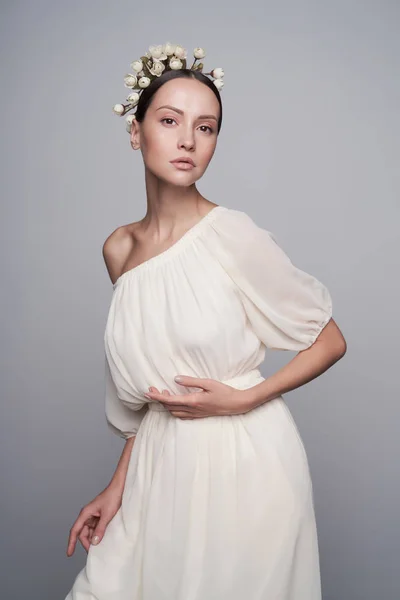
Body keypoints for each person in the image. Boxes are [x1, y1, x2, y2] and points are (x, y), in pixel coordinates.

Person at [64, 42, 347, 600]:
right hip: (159, 466)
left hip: (245, 465)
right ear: (136, 130)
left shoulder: (232, 235)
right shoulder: (119, 250)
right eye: (169, 121)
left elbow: (330, 340)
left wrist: (245, 397)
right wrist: (116, 488)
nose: (188, 140)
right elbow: (152, 399)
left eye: (207, 127)